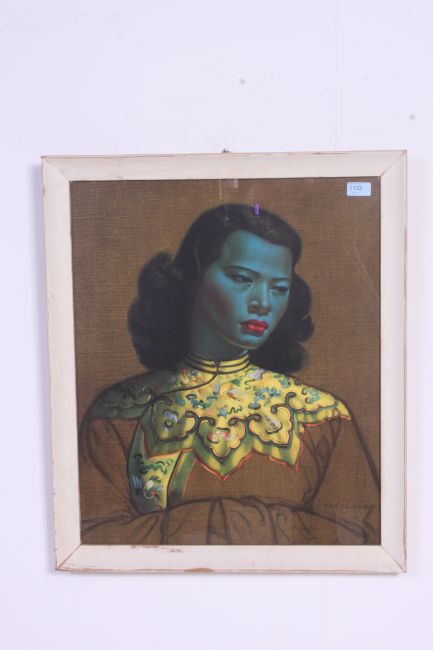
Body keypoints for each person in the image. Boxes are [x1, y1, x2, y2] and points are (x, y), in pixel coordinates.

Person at [79, 203, 380, 545]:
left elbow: (359, 537)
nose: (262, 303)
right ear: (193, 278)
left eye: (279, 288)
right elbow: (93, 540)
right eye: (241, 279)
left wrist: (218, 525)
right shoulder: (118, 412)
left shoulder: (323, 417)